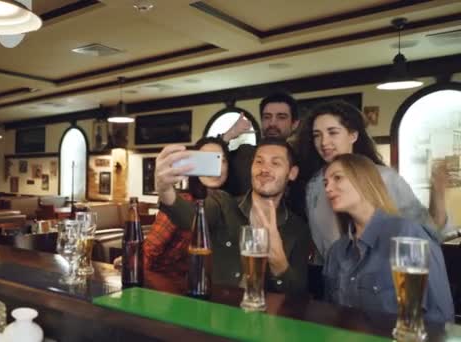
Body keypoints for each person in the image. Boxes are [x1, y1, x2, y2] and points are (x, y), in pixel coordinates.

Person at [296, 100, 451, 261]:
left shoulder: (384, 178)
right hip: (337, 280)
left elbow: (426, 231)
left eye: (332, 132)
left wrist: (438, 192)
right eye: (317, 135)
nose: (324, 142)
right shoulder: (314, 186)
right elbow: (323, 245)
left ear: (353, 135)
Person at [156, 138, 310, 295]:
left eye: (275, 163)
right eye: (259, 162)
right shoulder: (223, 203)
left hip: (265, 316)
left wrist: (278, 261)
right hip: (216, 312)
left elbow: (298, 294)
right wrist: (165, 190)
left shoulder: (298, 229)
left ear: (292, 173)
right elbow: (190, 218)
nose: (265, 169)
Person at [322, 153, 454, 322]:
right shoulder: (336, 252)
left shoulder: (408, 234)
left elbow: (441, 316)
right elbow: (330, 316)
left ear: (364, 179)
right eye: (325, 183)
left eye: (337, 178)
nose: (328, 188)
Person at [142, 137, 231, 276]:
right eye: (207, 161)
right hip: (166, 283)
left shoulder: (229, 204)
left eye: (222, 160)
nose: (216, 167)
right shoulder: (182, 201)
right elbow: (150, 250)